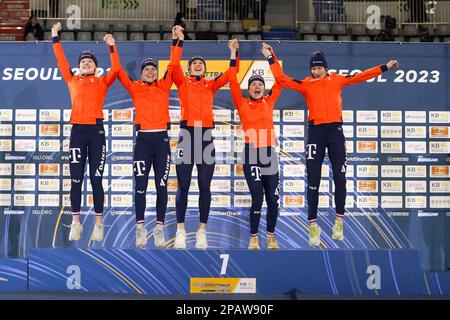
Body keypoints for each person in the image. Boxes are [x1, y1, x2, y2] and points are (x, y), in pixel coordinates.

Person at [263, 43, 399, 247]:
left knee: (340, 177)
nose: (316, 71)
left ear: (325, 67)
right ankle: (312, 226)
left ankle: (339, 221)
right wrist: (270, 56)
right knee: (313, 180)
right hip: (316, 132)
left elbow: (360, 77)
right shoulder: (307, 84)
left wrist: (384, 67)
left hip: (335, 132)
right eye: (313, 68)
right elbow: (281, 79)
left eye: (319, 68)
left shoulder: (337, 80)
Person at [115, 26, 184, 248]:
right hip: (143, 141)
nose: (151, 72)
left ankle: (160, 228)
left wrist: (176, 41)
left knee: (162, 186)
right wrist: (111, 47)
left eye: (153, 69)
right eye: (147, 69)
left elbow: (173, 66)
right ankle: (140, 228)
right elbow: (117, 70)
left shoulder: (164, 85)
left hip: (162, 141)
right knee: (141, 187)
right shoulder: (135, 87)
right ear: (142, 72)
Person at [51, 22, 120, 242]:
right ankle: (76, 222)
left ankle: (99, 224)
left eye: (90, 61)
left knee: (96, 178)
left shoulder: (101, 81)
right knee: (76, 179)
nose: (86, 63)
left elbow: (116, 69)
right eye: (83, 62)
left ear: (95, 67)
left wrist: (112, 46)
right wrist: (54, 36)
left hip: (96, 132)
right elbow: (61, 61)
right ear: (79, 67)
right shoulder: (72, 79)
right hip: (78, 132)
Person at [171, 37, 236, 249]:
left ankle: (201, 232)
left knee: (205, 187)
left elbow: (231, 74)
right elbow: (173, 65)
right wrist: (177, 42)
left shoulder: (210, 85)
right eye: (194, 64)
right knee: (183, 186)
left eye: (201, 64)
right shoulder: (182, 83)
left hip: (206, 137)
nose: (198, 65)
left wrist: (233, 53)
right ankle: (180, 230)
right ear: (189, 70)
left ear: (205, 71)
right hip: (187, 135)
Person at [229, 40, 282, 250]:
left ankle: (270, 236)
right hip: (251, 154)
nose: (257, 86)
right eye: (253, 84)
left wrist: (270, 55)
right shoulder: (242, 103)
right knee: (257, 197)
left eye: (260, 84)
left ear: (264, 88)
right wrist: (234, 52)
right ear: (248, 88)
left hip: (269, 153)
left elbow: (279, 79)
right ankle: (253, 237)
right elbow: (232, 80)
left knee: (273, 199)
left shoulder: (269, 101)